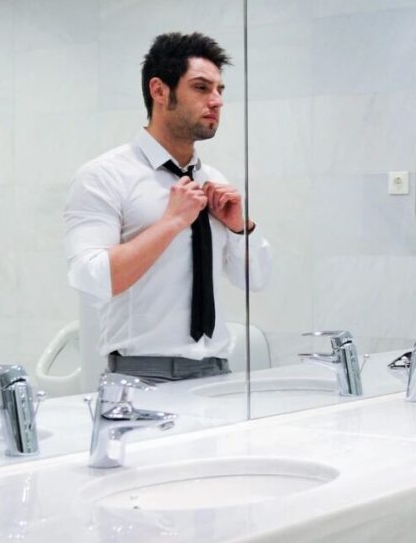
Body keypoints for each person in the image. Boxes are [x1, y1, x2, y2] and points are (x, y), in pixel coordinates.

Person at [63, 32, 271, 384]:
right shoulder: (104, 175)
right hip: (142, 378)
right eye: (202, 88)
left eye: (220, 90)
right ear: (160, 91)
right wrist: (171, 223)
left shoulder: (212, 180)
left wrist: (239, 228)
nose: (216, 101)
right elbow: (91, 279)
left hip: (217, 372)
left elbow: (256, 280)